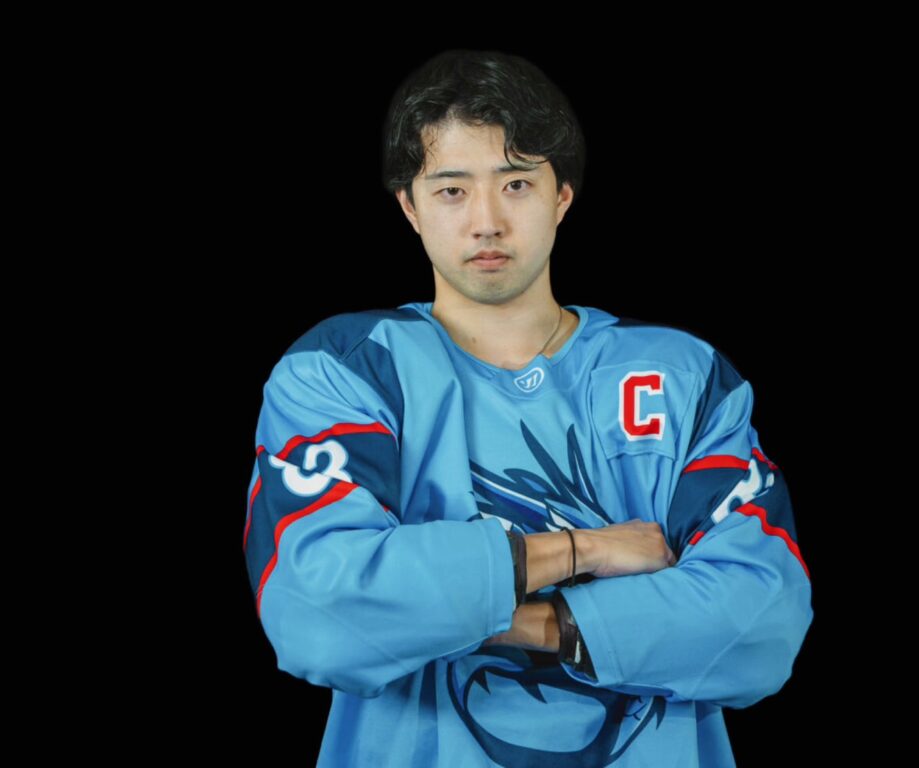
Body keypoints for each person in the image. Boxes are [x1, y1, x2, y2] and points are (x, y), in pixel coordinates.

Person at [242, 48, 813, 767]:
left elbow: (762, 623)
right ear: (410, 207)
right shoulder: (346, 370)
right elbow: (318, 613)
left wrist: (496, 618)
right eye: (452, 190)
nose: (486, 222)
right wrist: (585, 551)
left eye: (516, 183)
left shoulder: (684, 376)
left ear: (561, 196)